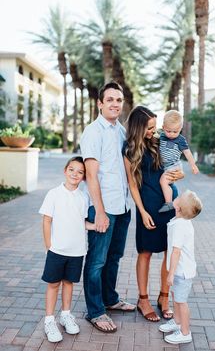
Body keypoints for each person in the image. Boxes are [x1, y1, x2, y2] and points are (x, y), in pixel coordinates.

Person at [80, 81, 135, 334]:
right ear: (100, 103)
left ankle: (110, 299)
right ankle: (95, 310)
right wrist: (99, 211)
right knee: (96, 260)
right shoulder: (94, 132)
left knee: (114, 257)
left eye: (119, 100)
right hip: (103, 208)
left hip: (123, 206)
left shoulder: (121, 131)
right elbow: (92, 176)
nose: (115, 104)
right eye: (110, 99)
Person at [123, 106, 184, 322]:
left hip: (171, 204)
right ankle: (143, 299)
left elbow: (176, 165)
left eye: (155, 127)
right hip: (148, 207)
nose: (153, 131)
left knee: (170, 252)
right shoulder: (129, 149)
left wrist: (178, 174)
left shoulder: (161, 141)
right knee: (146, 253)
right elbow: (132, 185)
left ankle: (164, 297)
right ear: (139, 127)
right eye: (149, 128)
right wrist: (142, 211)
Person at [39, 156, 95, 343]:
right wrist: (49, 246)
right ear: (65, 170)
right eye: (72, 169)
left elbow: (82, 222)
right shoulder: (54, 194)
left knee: (69, 283)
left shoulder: (84, 197)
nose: (75, 174)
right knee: (53, 284)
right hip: (57, 250)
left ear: (84, 177)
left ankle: (65, 315)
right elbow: (47, 220)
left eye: (80, 172)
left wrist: (95, 226)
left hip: (77, 251)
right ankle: (49, 320)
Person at [159, 190, 202, 344]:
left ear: (179, 207)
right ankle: (177, 322)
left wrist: (170, 274)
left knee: (181, 301)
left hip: (181, 272)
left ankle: (185, 332)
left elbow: (176, 251)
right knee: (176, 297)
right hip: (179, 270)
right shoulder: (179, 221)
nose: (175, 198)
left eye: (178, 198)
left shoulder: (180, 226)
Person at [158, 110, 199, 213]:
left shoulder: (180, 140)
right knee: (165, 181)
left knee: (163, 181)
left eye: (175, 132)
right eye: (168, 131)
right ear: (163, 127)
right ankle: (169, 202)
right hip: (164, 166)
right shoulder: (161, 136)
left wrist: (193, 165)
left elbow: (188, 153)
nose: (171, 134)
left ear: (180, 129)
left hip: (174, 166)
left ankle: (169, 203)